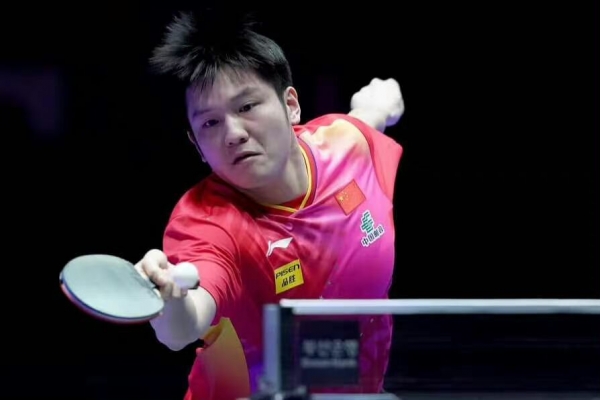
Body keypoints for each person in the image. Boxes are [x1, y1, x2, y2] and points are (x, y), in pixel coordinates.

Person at [138, 8, 405, 399]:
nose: (233, 133)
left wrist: (380, 103)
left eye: (246, 107)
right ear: (196, 145)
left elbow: (366, 117)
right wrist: (169, 297)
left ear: (291, 105)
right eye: (210, 123)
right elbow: (183, 325)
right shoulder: (207, 223)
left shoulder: (348, 147)